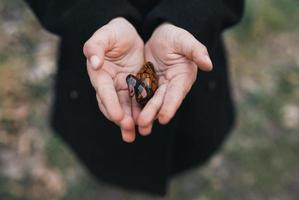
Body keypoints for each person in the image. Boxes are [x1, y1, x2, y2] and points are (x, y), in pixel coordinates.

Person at [24, 0, 244, 196]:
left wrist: (188, 17)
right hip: (96, 72)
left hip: (192, 82)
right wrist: (97, 16)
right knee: (109, 166)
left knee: (185, 158)